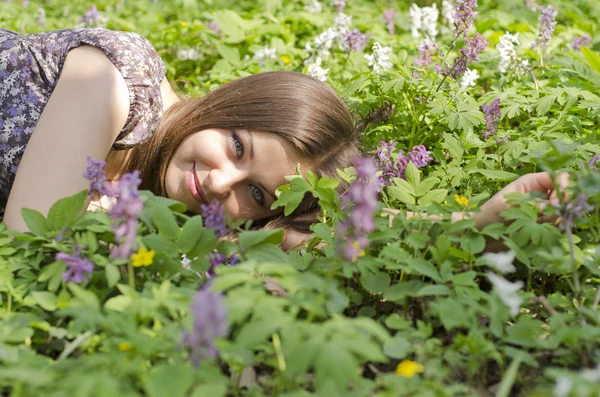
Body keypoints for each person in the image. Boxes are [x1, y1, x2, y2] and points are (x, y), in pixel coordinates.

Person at [0, 28, 567, 250]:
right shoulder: (119, 80)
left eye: (258, 196)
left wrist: (476, 228)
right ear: (231, 103)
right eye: (238, 147)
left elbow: (317, 234)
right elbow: (28, 242)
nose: (220, 182)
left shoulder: (161, 205)